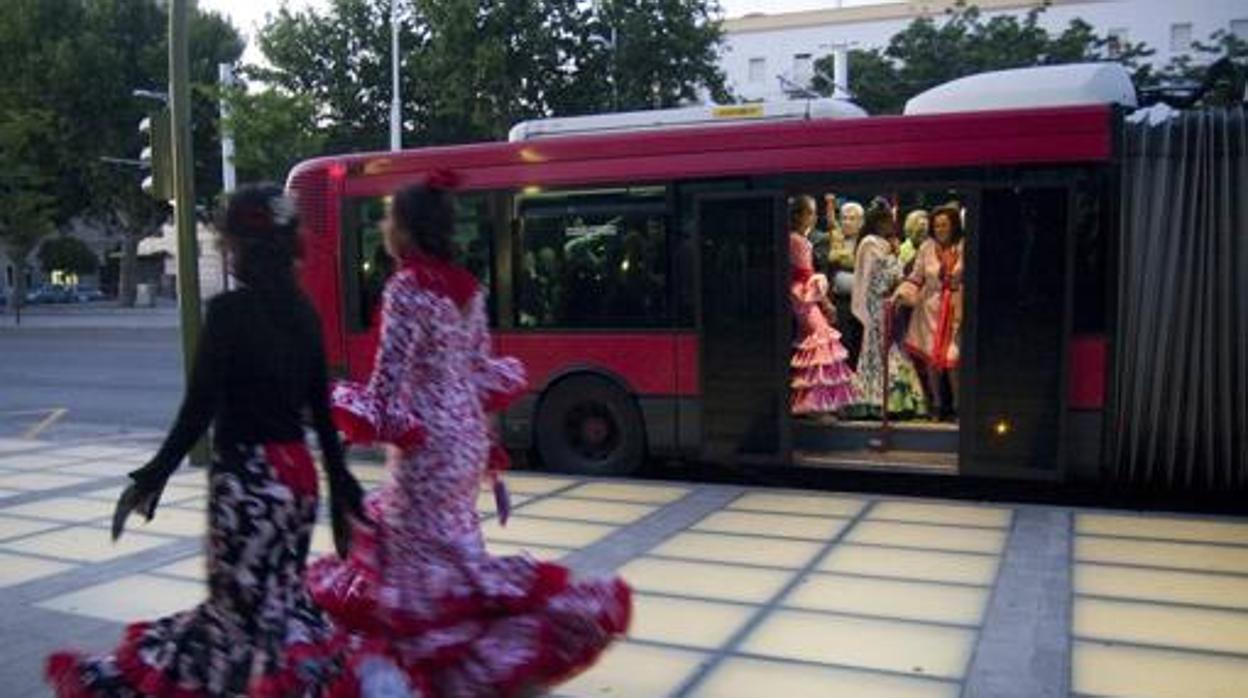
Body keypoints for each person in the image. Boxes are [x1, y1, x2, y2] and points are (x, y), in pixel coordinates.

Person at [307, 174, 632, 697]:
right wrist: (484, 441)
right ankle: (467, 665)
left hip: (426, 444)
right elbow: (480, 373)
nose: (386, 227)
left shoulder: (407, 288)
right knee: (454, 549)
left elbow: (388, 386)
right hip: (464, 440)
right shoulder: (468, 289)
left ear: (407, 230)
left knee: (414, 565)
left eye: (391, 218)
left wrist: (345, 417)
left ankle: (422, 676)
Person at [45, 184, 367, 697]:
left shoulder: (228, 314)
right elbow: (322, 418)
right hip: (296, 484)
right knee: (279, 608)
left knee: (234, 619)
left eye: (227, 241)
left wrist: (152, 476)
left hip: (246, 486)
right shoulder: (305, 314)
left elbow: (197, 411)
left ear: (243, 245)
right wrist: (344, 492)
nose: (224, 250)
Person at [845, 202, 927, 419]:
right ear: (876, 222)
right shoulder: (870, 243)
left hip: (889, 303)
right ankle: (874, 400)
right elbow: (882, 278)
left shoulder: (884, 244)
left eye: (891, 220)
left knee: (892, 347)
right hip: (877, 305)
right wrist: (895, 256)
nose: (890, 224)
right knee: (879, 350)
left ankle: (894, 400)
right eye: (885, 220)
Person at [895, 204, 965, 420]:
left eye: (945, 225)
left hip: (956, 307)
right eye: (937, 225)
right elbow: (916, 277)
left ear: (954, 226)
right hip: (929, 309)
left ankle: (958, 405)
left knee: (954, 360)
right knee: (931, 362)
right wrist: (900, 294)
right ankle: (937, 404)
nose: (940, 229)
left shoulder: (964, 246)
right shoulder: (926, 247)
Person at [787, 195, 855, 416]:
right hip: (803, 294)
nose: (814, 217)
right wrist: (826, 304)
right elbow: (806, 274)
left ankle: (814, 401)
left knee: (814, 344)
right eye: (811, 212)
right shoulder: (797, 240)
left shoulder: (797, 238)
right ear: (800, 215)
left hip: (800, 293)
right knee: (822, 340)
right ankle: (818, 403)